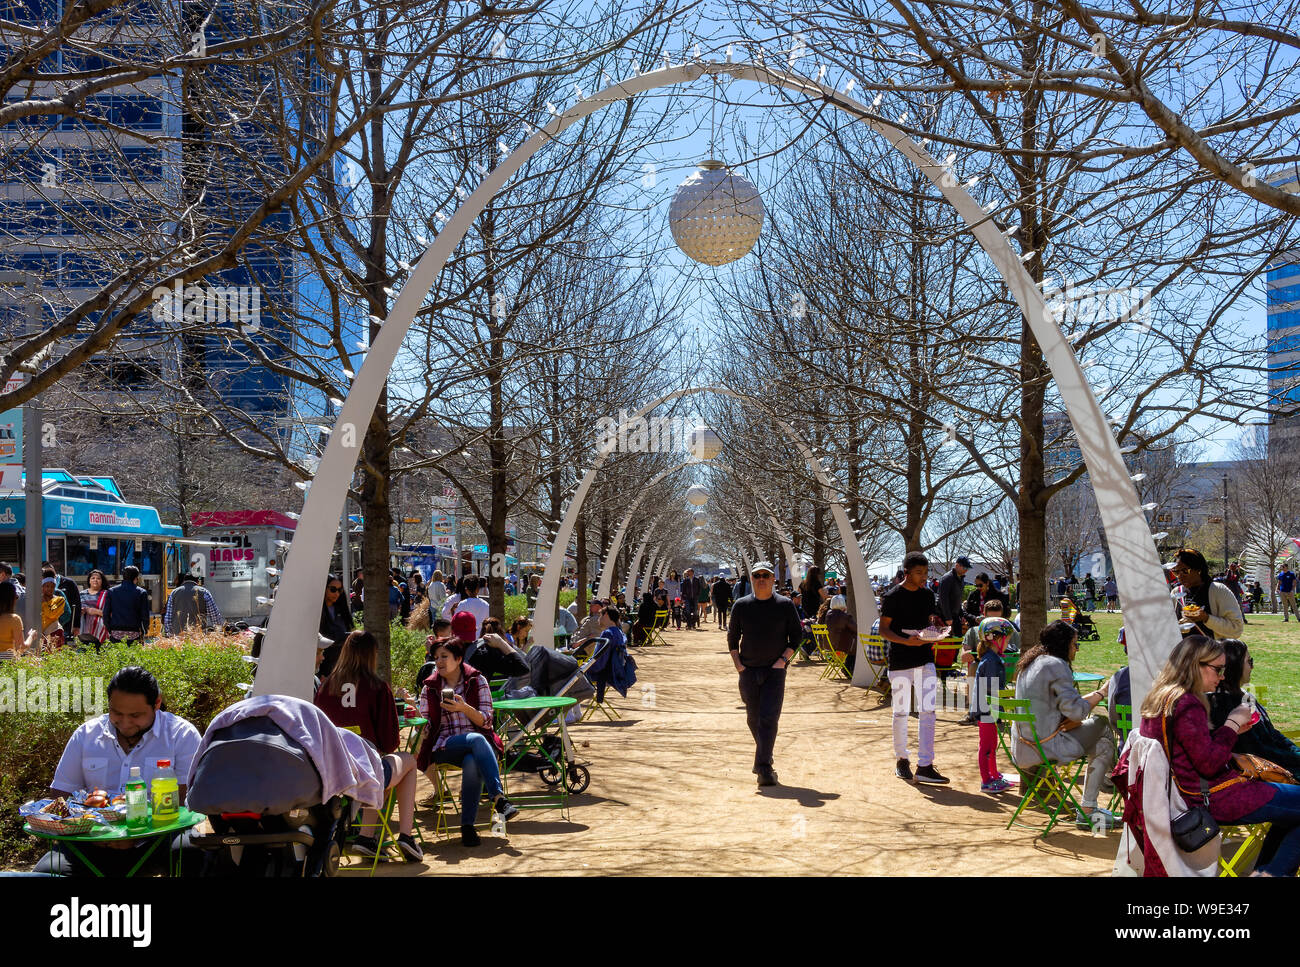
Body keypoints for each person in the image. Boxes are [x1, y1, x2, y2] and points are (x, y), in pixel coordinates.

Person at [1135, 635, 1300, 877]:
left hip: (1188, 795)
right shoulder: (1187, 703)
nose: (1222, 676)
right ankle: (1270, 873)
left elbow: (1193, 753)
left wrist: (1228, 733)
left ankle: (1267, 871)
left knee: (1291, 812)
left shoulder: (1162, 698)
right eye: (1217, 669)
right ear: (1194, 665)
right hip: (1213, 797)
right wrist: (1232, 723)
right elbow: (1209, 764)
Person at [36, 667, 202, 875]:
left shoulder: (181, 735)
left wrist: (136, 834)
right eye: (116, 713)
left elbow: (185, 803)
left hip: (157, 839)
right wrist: (95, 833)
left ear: (157, 704)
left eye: (135, 715)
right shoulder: (87, 735)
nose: (125, 723)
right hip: (92, 840)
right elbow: (61, 795)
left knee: (191, 853)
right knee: (46, 871)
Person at [313, 630, 423, 862]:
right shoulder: (377, 687)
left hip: (331, 774)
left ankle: (367, 837)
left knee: (376, 765)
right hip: (365, 774)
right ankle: (404, 834)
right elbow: (390, 741)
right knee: (407, 762)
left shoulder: (326, 686)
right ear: (371, 655)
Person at [1011, 619, 1116, 829]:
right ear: (1064, 644)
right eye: (1075, 644)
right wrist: (1102, 693)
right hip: (1046, 747)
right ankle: (1117, 778)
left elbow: (1067, 708)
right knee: (1102, 723)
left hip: (1024, 747)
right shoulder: (1056, 666)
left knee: (1103, 746)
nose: (1076, 649)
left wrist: (1084, 705)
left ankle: (1088, 811)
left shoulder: (1031, 662)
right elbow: (1076, 712)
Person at [415, 638, 519, 846]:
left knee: (472, 760)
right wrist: (420, 724)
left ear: (459, 658)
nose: (439, 662)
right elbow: (426, 726)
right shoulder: (430, 688)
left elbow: (487, 721)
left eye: (444, 656)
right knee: (477, 739)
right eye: (436, 658)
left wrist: (464, 708)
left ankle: (467, 828)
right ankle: (498, 798)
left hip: (478, 747)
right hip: (444, 746)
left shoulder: (477, 681)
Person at [727, 562, 802, 787]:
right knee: (753, 718)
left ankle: (763, 769)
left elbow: (796, 637)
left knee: (768, 718)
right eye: (757, 575)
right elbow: (732, 637)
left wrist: (782, 661)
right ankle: (765, 756)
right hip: (748, 671)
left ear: (773, 580)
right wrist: (738, 664)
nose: (761, 579)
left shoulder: (785, 605)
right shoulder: (741, 605)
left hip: (774, 672)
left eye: (766, 575)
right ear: (752, 579)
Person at [879, 551, 950, 785]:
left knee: (928, 712)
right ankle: (902, 760)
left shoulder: (928, 595)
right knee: (900, 712)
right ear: (906, 573)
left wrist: (936, 632)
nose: (924, 577)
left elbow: (930, 622)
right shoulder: (892, 596)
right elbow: (884, 630)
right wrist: (905, 640)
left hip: (924, 657)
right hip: (899, 660)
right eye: (919, 573)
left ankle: (925, 765)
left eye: (926, 572)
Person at [1210, 639, 1300, 777]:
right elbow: (1256, 751)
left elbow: (1272, 735)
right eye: (1249, 661)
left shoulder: (1245, 696)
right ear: (1235, 666)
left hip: (1279, 762)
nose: (1252, 667)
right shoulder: (1226, 705)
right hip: (1265, 773)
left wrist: (1295, 752)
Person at [973, 617, 1016, 794]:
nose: (1008, 644)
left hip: (990, 708)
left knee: (992, 743)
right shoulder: (991, 661)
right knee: (987, 746)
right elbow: (992, 688)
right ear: (997, 639)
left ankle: (994, 774)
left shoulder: (993, 658)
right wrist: (1009, 697)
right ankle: (986, 780)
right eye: (1007, 640)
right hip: (986, 709)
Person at [1170, 548, 1243, 639]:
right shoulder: (1176, 593)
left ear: (1198, 569)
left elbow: (1236, 629)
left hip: (1213, 651)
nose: (1180, 576)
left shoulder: (1218, 590)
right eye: (1176, 572)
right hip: (1185, 651)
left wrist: (1206, 618)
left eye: (1185, 571)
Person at [462, 613, 531, 682]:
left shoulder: (472, 650)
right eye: (526, 631)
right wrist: (501, 643)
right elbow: (524, 668)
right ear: (500, 632)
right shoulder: (495, 654)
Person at [162, 571, 223, 636]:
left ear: (184, 580)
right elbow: (214, 615)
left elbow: (168, 617)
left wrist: (169, 633)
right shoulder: (204, 592)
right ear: (197, 581)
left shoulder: (174, 592)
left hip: (177, 637)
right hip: (198, 636)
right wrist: (219, 630)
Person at [102, 565, 150, 644]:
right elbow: (145, 615)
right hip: (135, 632)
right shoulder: (141, 592)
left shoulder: (112, 591)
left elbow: (105, 614)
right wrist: (144, 630)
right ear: (136, 578)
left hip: (115, 632)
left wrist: (110, 629)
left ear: (123, 576)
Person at [318, 573, 353, 679]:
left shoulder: (342, 611)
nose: (337, 593)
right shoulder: (318, 611)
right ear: (324, 588)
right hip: (322, 665)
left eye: (340, 590)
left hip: (339, 665)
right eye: (333, 589)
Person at [0, 580, 39, 660]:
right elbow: (21, 648)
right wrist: (31, 636)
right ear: (12, 599)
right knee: (22, 672)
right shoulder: (14, 619)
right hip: (8, 663)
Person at [937, 556, 970, 639]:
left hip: (955, 615)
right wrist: (947, 617)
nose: (966, 570)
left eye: (967, 568)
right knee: (947, 643)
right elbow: (943, 599)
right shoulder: (947, 578)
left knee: (958, 640)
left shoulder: (961, 578)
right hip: (945, 616)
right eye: (965, 567)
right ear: (957, 565)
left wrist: (961, 614)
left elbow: (957, 599)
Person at [824, 594, 858, 675]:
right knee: (856, 645)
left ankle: (847, 667)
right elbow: (857, 629)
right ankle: (848, 668)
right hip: (839, 646)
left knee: (852, 644)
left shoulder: (828, 614)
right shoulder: (844, 616)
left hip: (828, 645)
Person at [39, 569, 70, 652]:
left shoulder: (59, 600)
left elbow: (51, 614)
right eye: (47, 586)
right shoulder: (37, 599)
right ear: (42, 587)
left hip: (55, 632)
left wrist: (44, 602)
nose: (50, 589)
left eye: (52, 586)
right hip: (40, 634)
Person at [78, 569, 110, 649]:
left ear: (102, 581)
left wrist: (95, 611)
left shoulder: (107, 594)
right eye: (93, 578)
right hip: (84, 629)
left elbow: (112, 613)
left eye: (98, 578)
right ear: (89, 580)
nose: (95, 580)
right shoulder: (81, 594)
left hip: (101, 629)